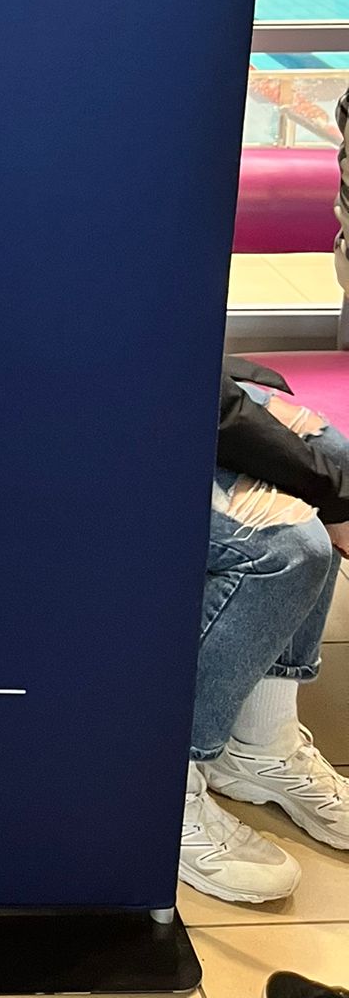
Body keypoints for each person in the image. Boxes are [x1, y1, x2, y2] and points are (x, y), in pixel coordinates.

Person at [180, 355, 349, 903]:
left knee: (336, 457)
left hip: (161, 381)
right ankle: (165, 783)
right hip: (65, 411)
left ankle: (259, 744)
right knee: (289, 548)